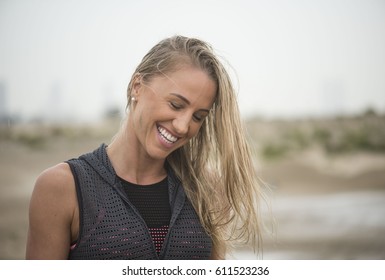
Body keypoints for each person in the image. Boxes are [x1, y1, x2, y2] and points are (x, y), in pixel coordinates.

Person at [26, 35, 263, 260]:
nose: (183, 126)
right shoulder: (63, 187)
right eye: (176, 104)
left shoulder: (206, 190)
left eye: (198, 117)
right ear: (136, 86)